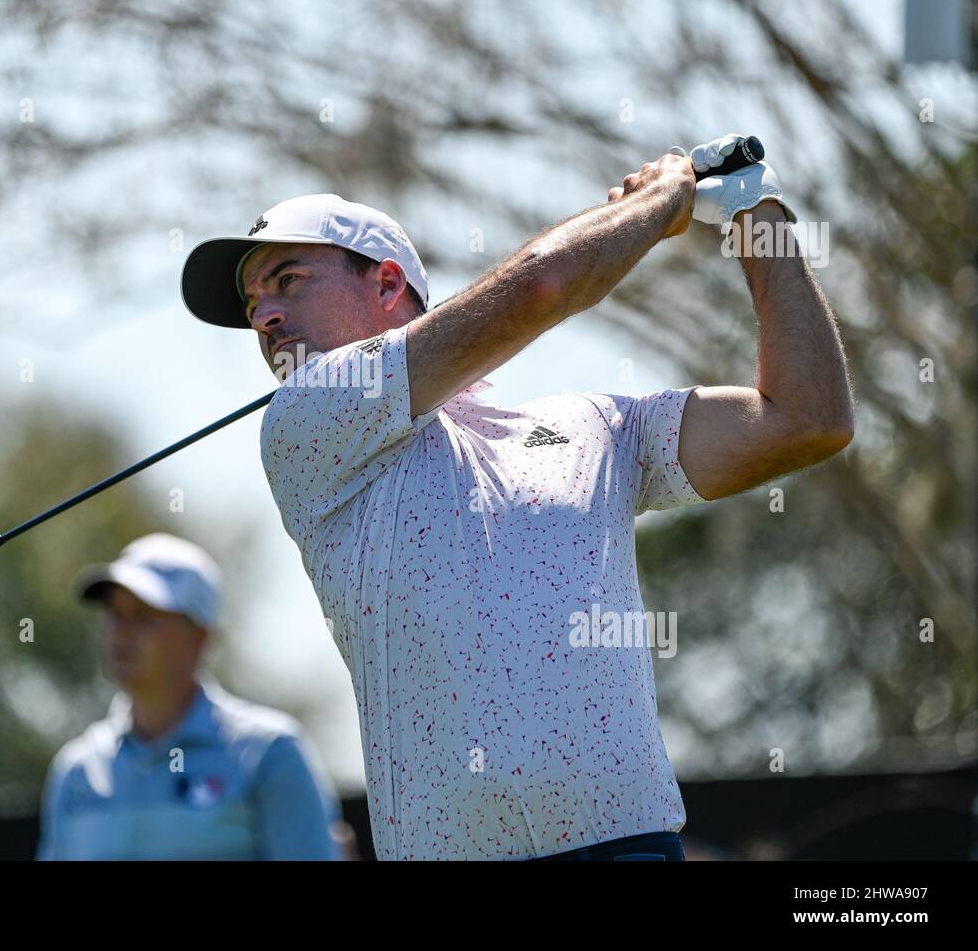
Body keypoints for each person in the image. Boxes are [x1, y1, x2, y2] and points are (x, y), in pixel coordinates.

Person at [178, 135, 854, 861]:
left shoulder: (593, 427)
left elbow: (807, 417)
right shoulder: (305, 425)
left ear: (385, 283)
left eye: (287, 280)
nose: (266, 316)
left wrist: (758, 212)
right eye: (253, 303)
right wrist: (670, 197)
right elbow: (540, 288)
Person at [36, 533, 342, 861]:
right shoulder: (75, 771)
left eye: (144, 617)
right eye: (115, 614)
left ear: (199, 637)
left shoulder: (270, 753)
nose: (121, 632)